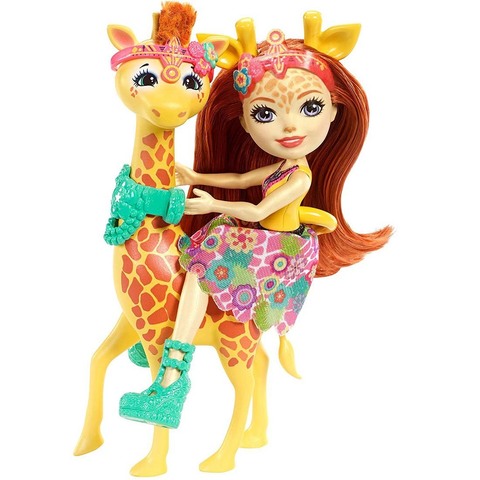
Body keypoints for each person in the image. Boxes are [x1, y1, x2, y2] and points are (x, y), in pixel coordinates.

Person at [119, 23, 392, 428]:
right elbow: (241, 179)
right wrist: (196, 176)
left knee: (200, 268)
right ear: (245, 123)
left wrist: (211, 203)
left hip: (274, 249)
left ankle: (174, 372)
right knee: (199, 248)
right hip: (257, 238)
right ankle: (169, 325)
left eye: (310, 108)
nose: (290, 127)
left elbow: (259, 210)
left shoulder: (299, 178)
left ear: (335, 111)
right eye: (265, 114)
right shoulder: (283, 165)